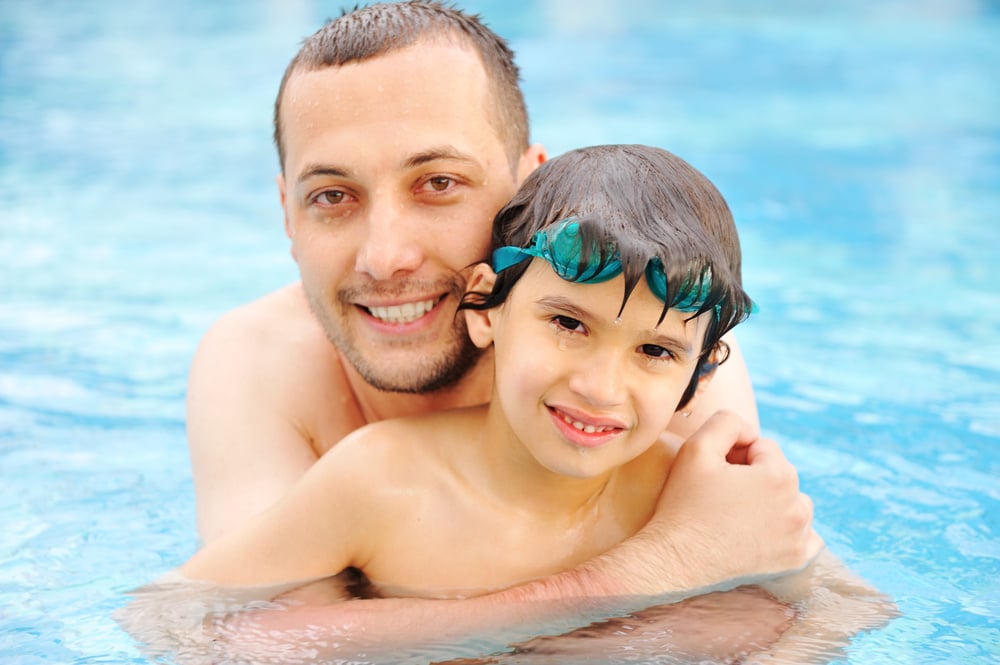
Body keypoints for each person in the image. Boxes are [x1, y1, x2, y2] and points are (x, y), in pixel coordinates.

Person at [186, 0, 819, 603]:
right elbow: (246, 632)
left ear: (524, 184)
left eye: (438, 183)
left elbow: (775, 589)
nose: (384, 257)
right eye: (331, 195)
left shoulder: (663, 346)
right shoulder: (261, 365)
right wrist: (657, 567)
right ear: (287, 217)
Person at [172, 143, 801, 663]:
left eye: (656, 352)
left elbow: (829, 620)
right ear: (487, 307)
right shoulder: (380, 481)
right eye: (569, 324)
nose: (602, 387)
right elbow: (184, 620)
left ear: (700, 370)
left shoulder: (689, 493)